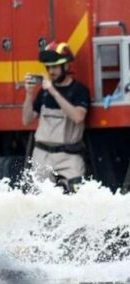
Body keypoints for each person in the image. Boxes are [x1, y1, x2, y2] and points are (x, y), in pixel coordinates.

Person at [22, 41, 90, 192]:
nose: (51, 71)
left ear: (66, 66)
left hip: (69, 157)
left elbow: (78, 117)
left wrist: (54, 92)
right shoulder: (43, 92)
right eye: (48, 67)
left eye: (55, 67)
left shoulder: (79, 91)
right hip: (42, 155)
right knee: (41, 205)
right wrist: (29, 94)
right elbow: (26, 120)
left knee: (75, 199)